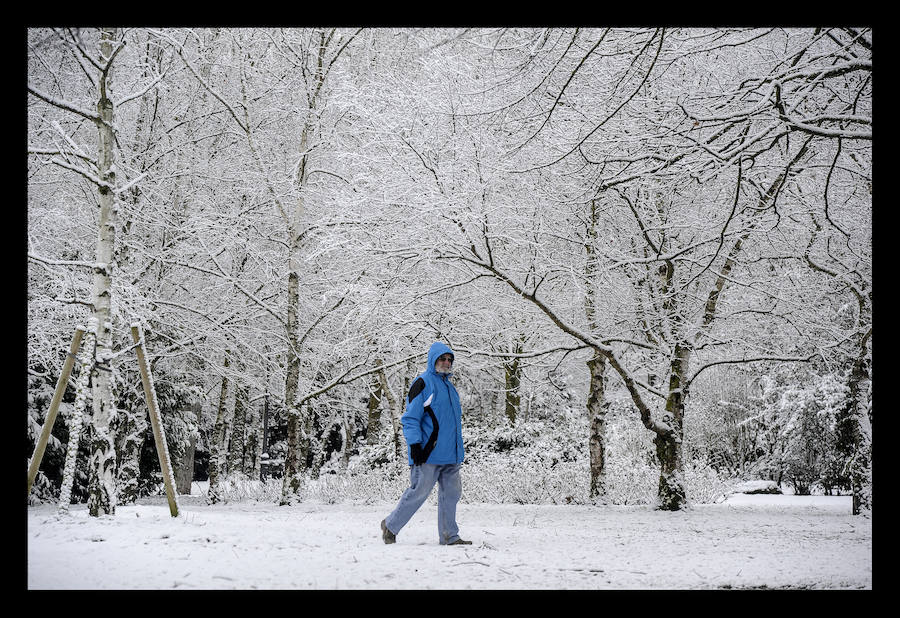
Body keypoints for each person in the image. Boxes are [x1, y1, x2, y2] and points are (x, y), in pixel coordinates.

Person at [380, 341, 472, 546]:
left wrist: (459, 450)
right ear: (433, 360)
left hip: (451, 455)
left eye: (449, 359)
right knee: (418, 493)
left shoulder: (450, 387)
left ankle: (450, 536)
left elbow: (452, 423)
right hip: (428, 453)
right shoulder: (422, 383)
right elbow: (410, 418)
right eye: (442, 359)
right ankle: (391, 525)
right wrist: (415, 446)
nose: (447, 363)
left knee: (452, 494)